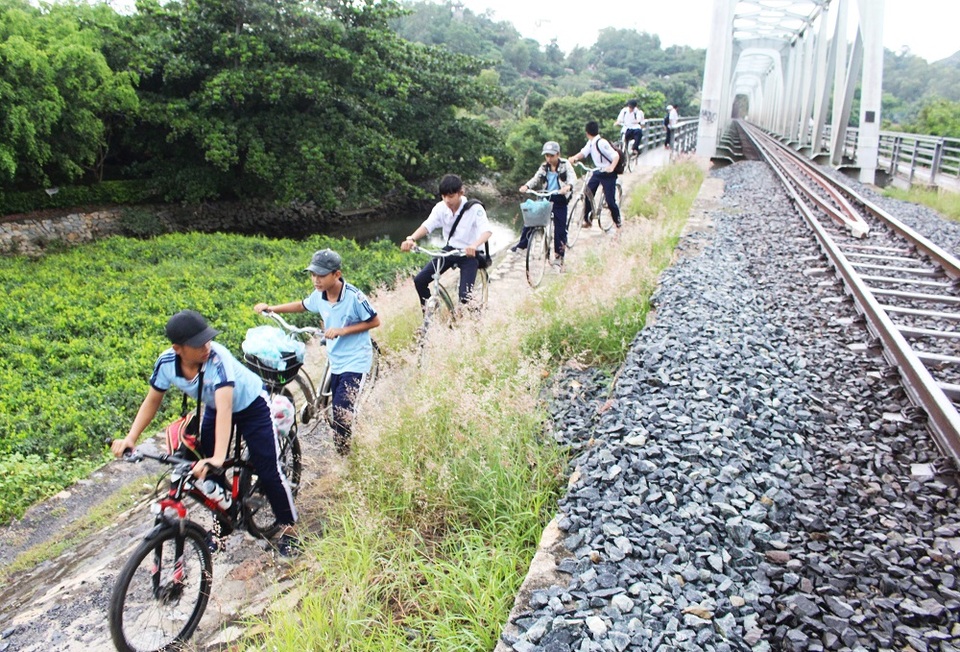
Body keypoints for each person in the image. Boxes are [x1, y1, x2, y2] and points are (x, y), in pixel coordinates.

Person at [111, 310, 300, 557]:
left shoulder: (217, 359)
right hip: (214, 407)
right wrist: (131, 438)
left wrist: (217, 457)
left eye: (208, 339)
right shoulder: (166, 363)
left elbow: (226, 408)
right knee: (206, 472)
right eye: (198, 344)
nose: (206, 346)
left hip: (251, 404)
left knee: (267, 468)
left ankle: (289, 529)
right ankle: (223, 523)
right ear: (178, 348)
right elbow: (152, 401)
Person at [254, 248, 380, 456]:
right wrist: (273, 309)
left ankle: (344, 458)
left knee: (341, 414)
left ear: (336, 274)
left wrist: (342, 331)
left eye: (321, 275)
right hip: (336, 357)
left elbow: (374, 321)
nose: (316, 279)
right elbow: (302, 305)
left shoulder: (354, 297)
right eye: (313, 274)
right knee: (337, 406)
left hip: (356, 360)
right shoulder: (319, 296)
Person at [400, 173, 493, 305]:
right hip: (450, 251)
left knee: (465, 296)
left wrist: (474, 244)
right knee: (420, 280)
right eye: (444, 196)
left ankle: (475, 316)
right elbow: (428, 225)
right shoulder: (440, 208)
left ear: (460, 193)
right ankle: (429, 315)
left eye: (451, 196)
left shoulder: (474, 208)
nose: (447, 200)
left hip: (470, 253)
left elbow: (487, 231)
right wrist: (411, 238)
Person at [516, 141, 577, 267]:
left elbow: (573, 178)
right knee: (531, 218)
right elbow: (536, 178)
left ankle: (559, 257)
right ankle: (522, 245)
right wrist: (526, 186)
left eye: (551, 155)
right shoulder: (544, 167)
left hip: (560, 198)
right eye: (547, 156)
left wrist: (568, 187)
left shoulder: (565, 165)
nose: (549, 158)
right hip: (546, 197)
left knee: (560, 230)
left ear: (558, 154)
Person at [567, 121, 622, 231]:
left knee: (610, 201)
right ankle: (588, 220)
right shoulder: (591, 142)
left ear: (587, 133)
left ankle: (618, 222)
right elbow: (584, 153)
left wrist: (611, 167)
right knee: (588, 192)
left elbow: (615, 156)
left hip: (608, 173)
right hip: (598, 171)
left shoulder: (602, 143)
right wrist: (574, 158)